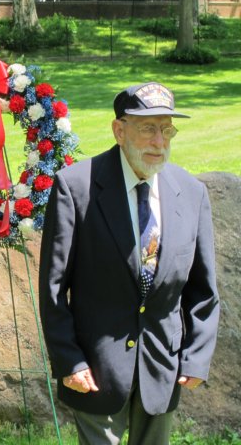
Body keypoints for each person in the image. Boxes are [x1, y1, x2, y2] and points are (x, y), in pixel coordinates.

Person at [39, 82, 220, 444]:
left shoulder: (192, 192)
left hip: (162, 368)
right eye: (148, 128)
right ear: (119, 130)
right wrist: (68, 359)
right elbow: (53, 287)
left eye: (167, 129)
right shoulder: (76, 188)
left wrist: (197, 356)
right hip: (94, 369)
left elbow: (203, 289)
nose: (159, 141)